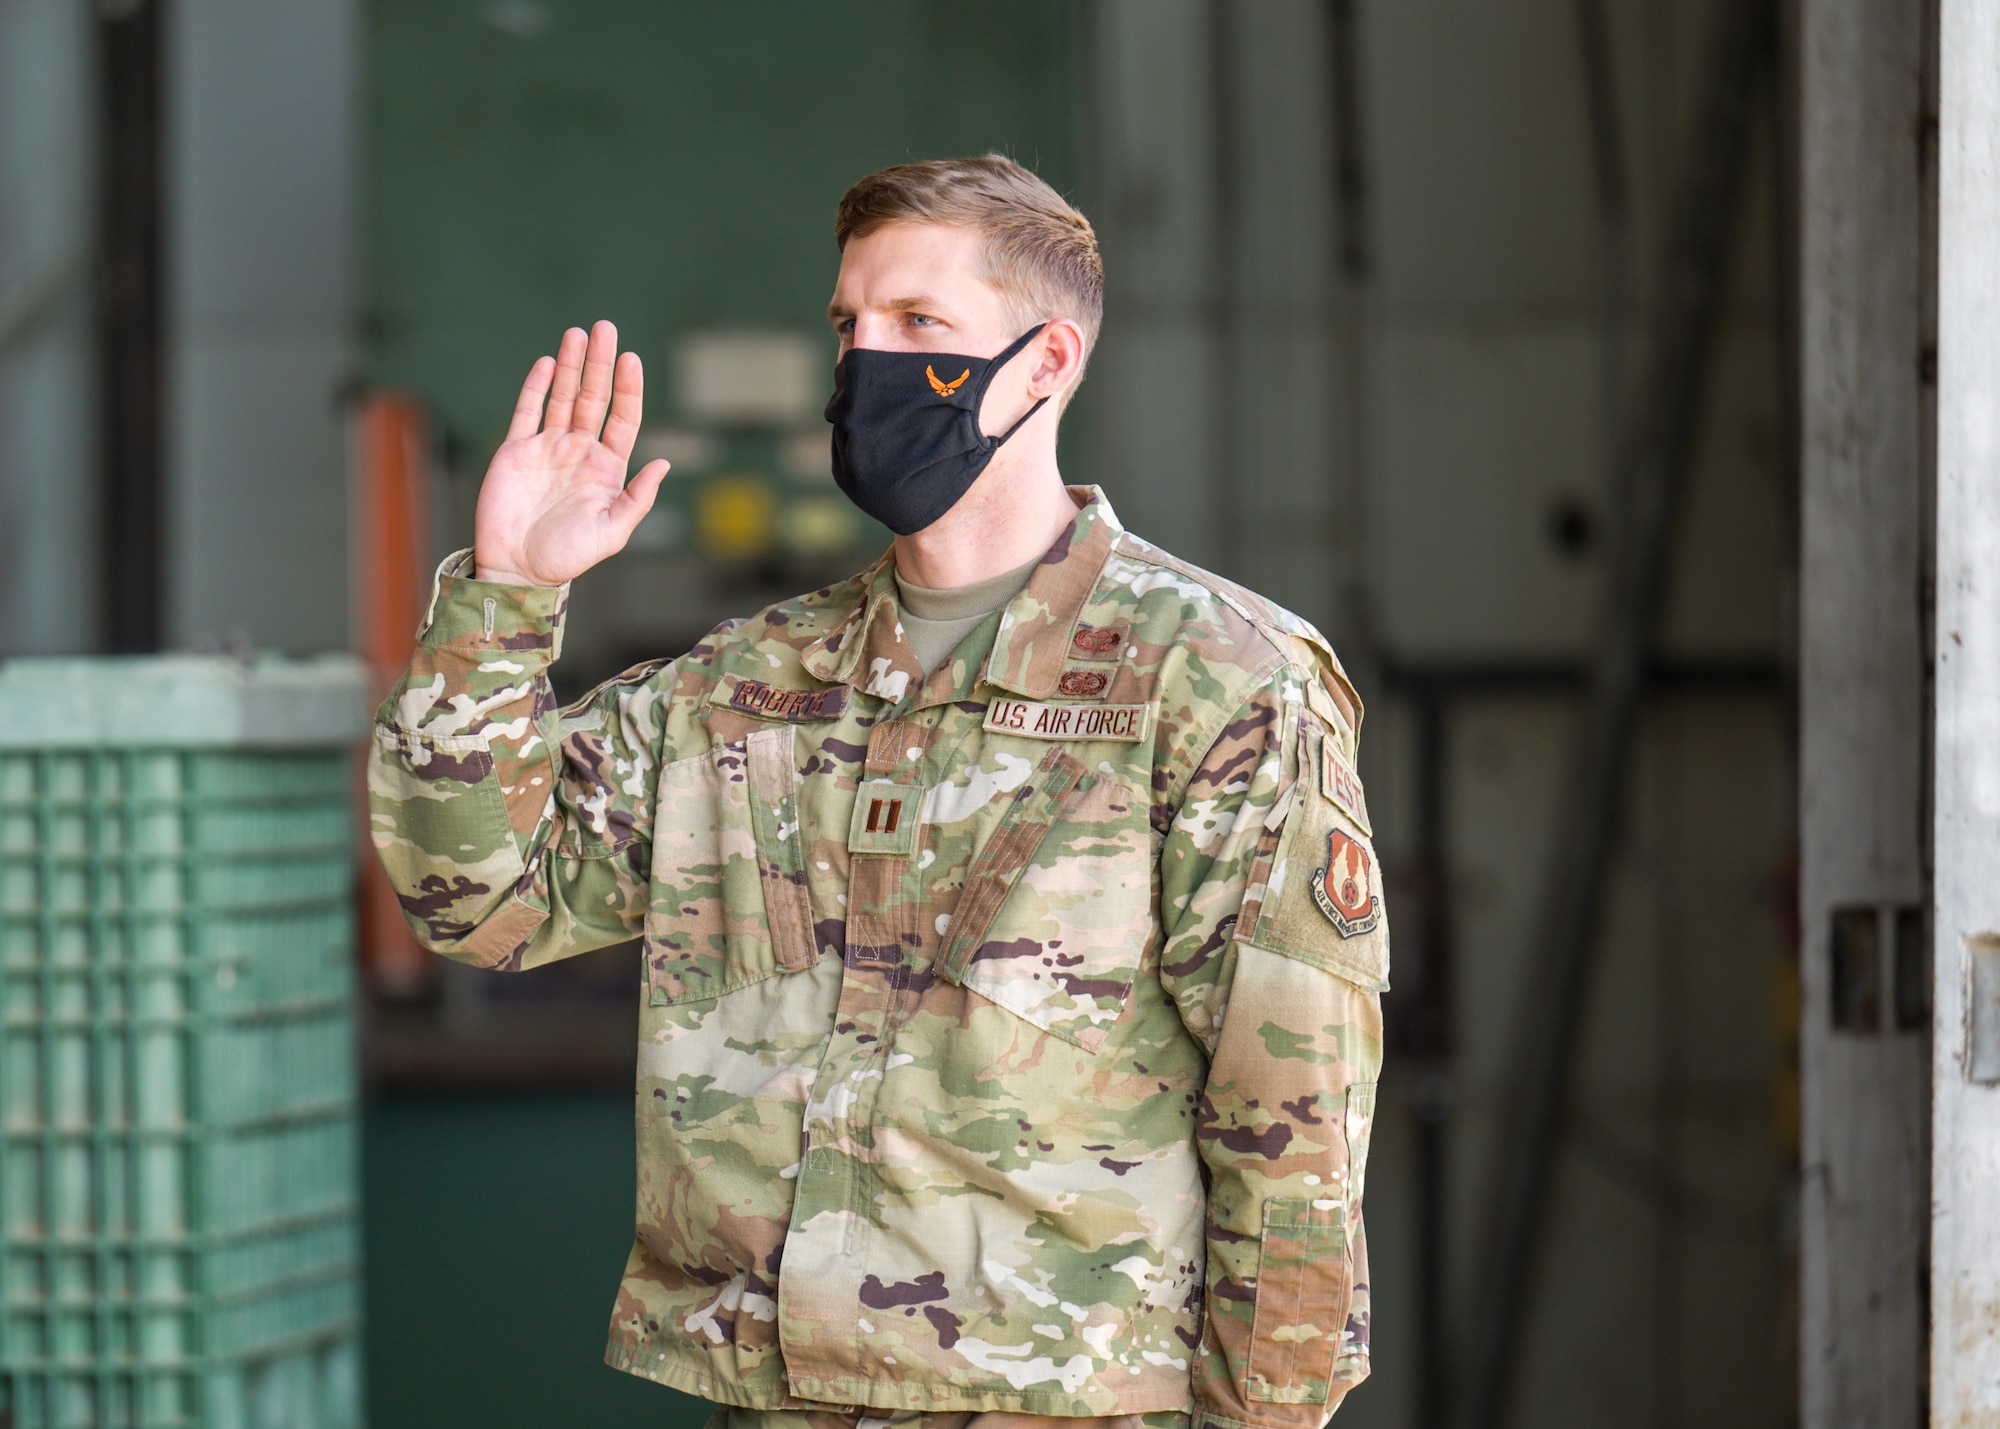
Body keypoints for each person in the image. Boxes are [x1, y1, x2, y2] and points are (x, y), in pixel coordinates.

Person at [368, 154, 1385, 1429]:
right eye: (850, 324)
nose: (869, 364)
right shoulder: (748, 686)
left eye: (921, 325)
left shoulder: (1213, 680)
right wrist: (507, 596)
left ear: (1046, 361)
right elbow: (482, 897)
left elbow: (1287, 1119)